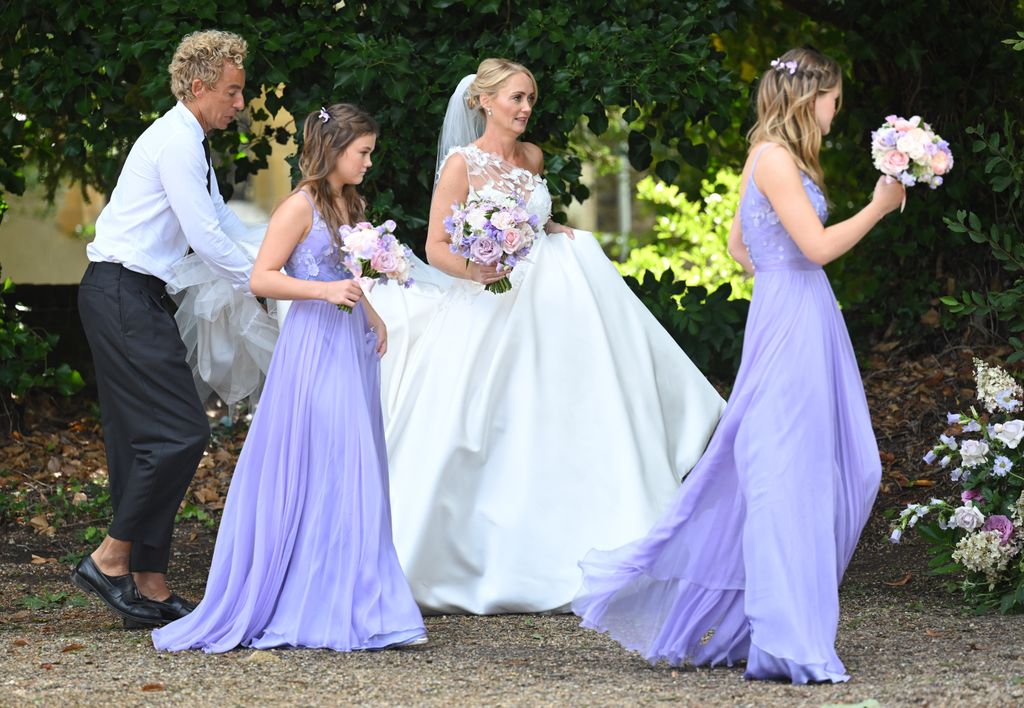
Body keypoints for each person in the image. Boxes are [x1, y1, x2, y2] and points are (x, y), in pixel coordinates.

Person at [571, 47, 906, 683]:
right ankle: (786, 636)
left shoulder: (771, 157)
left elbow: (739, 248)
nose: (839, 110)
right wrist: (878, 207)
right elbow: (817, 246)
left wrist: (783, 276)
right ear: (810, 99)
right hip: (794, 317)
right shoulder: (776, 158)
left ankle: (768, 624)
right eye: (834, 98)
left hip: (798, 312)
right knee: (788, 471)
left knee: (831, 464)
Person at [365, 58, 726, 615]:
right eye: (516, 98)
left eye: (531, 98)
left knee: (576, 402)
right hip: (492, 298)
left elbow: (535, 221)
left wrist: (560, 232)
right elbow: (437, 246)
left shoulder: (532, 157)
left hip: (553, 298)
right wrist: (477, 269)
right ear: (484, 101)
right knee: (488, 420)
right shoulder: (462, 164)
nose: (526, 108)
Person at [152, 104, 426, 652]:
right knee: (321, 456)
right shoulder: (298, 207)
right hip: (313, 345)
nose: (370, 162)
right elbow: (262, 276)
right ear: (334, 150)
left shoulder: (350, 202)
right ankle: (306, 597)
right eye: (363, 152)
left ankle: (361, 600)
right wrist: (325, 292)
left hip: (349, 341)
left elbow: (349, 273)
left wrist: (371, 312)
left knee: (356, 462)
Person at [72, 30, 255, 628]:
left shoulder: (191, 141)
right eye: (231, 92)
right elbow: (204, 236)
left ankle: (148, 586)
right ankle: (110, 557)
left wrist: (277, 251)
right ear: (199, 87)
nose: (239, 104)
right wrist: (266, 283)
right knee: (179, 431)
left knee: (138, 441)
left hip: (136, 295)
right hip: (121, 291)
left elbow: (222, 218)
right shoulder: (175, 140)